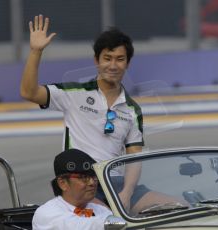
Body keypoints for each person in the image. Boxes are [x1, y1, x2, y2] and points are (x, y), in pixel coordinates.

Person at [21, 15, 178, 214]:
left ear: (128, 63)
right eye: (107, 58)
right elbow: (29, 92)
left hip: (117, 184)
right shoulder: (73, 93)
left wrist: (127, 193)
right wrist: (36, 51)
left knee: (176, 206)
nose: (113, 65)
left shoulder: (132, 109)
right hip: (81, 181)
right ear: (96, 61)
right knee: (105, 218)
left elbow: (134, 158)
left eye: (120, 59)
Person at [32, 149, 112, 230]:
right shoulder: (46, 212)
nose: (92, 182)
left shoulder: (101, 210)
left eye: (94, 176)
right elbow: (77, 226)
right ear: (62, 183)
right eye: (84, 177)